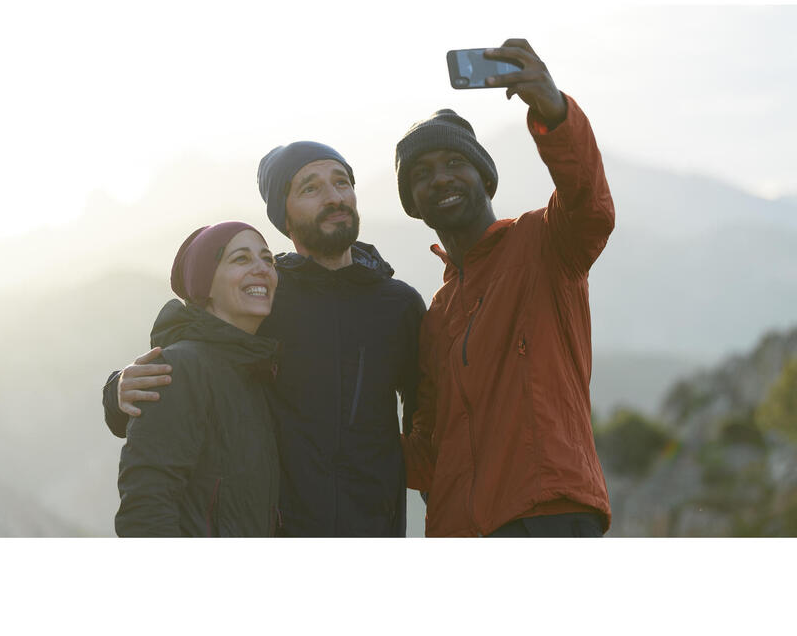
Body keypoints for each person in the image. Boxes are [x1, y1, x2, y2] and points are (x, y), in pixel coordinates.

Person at [104, 143, 425, 536]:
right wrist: (118, 388)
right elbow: (197, 338)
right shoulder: (267, 295)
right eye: (310, 188)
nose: (334, 197)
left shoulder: (400, 305)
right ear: (283, 216)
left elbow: (428, 424)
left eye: (342, 182)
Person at [396, 38, 614, 537]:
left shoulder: (543, 241)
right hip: (461, 530)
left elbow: (590, 204)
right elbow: (429, 454)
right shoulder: (436, 313)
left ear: (484, 178)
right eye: (422, 173)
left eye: (455, 163)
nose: (441, 178)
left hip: (547, 513)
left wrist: (553, 111)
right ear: (412, 202)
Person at [116, 221, 281, 537]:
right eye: (241, 259)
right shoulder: (179, 369)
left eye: (268, 259)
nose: (262, 268)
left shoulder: (256, 370)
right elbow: (145, 509)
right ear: (205, 283)